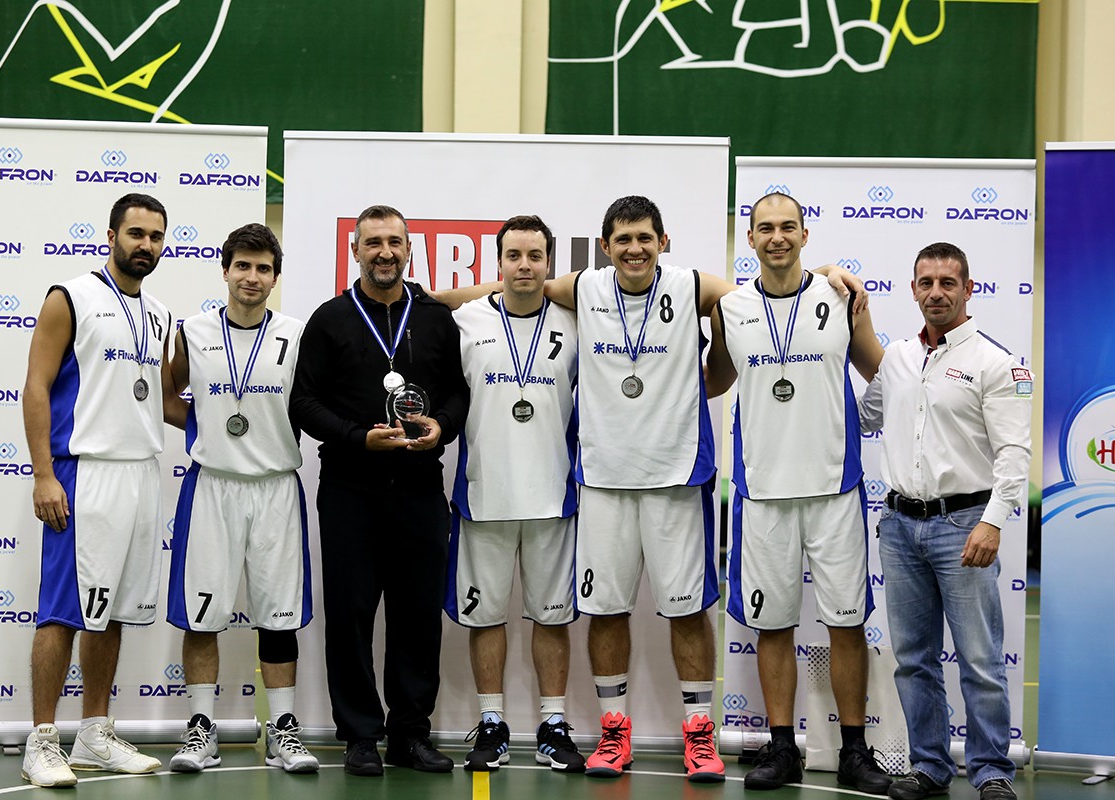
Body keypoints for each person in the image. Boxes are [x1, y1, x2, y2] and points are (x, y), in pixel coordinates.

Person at [435, 195, 863, 783]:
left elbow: (765, 288)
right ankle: (615, 732)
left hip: (678, 478)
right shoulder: (584, 288)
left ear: (664, 242)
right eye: (623, 239)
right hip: (604, 482)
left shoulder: (692, 287)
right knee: (607, 612)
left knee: (688, 612)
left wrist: (828, 273)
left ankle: (698, 735)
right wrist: (425, 298)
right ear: (605, 248)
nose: (634, 249)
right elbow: (515, 285)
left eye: (645, 238)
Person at [706, 192, 891, 794]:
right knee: (774, 626)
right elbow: (714, 381)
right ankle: (782, 747)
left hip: (835, 489)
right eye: (766, 228)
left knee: (846, 624)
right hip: (762, 491)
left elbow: (883, 372)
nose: (777, 237)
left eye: (788, 227)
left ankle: (854, 751)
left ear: (806, 235)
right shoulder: (730, 309)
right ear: (750, 238)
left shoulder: (840, 298)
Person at [289, 204, 469, 777]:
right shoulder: (330, 319)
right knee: (350, 616)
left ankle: (410, 735)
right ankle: (361, 736)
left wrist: (443, 425)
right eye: (373, 243)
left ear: (409, 249)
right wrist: (356, 438)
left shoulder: (436, 318)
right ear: (355, 250)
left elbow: (459, 392)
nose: (384, 253)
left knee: (417, 617)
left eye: (394, 242)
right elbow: (303, 402)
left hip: (420, 487)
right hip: (350, 489)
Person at [21, 193, 187, 788]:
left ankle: (94, 733)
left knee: (110, 611)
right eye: (136, 233)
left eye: (156, 236)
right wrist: (44, 474)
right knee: (62, 611)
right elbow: (36, 387)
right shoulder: (70, 297)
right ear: (112, 236)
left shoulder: (161, 314)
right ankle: (41, 741)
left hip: (140, 473)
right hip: (81, 472)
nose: (146, 245)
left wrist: (239, 426)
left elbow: (164, 400)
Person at [859, 242, 1030, 800]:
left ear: (968, 289)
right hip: (899, 526)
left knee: (980, 660)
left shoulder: (995, 362)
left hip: (965, 525)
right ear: (913, 289)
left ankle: (991, 771)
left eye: (947, 283)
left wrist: (993, 522)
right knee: (913, 659)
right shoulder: (897, 358)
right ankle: (930, 766)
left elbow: (1014, 453)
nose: (936, 293)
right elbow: (864, 417)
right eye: (926, 282)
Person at [165, 223, 319, 774]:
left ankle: (283, 731)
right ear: (225, 270)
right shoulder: (192, 331)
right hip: (212, 486)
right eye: (243, 266)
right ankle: (201, 730)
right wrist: (204, 427)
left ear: (276, 278)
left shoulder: (297, 335)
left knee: (278, 616)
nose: (252, 277)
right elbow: (166, 393)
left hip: (276, 486)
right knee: (201, 615)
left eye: (263, 269)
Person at [444, 215, 584, 774]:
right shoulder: (465, 320)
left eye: (535, 256)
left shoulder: (576, 321)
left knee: (552, 617)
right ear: (497, 262)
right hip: (485, 496)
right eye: (514, 255)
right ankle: (492, 722)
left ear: (549, 263)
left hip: (554, 496)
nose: (524, 265)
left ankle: (553, 724)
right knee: (486, 617)